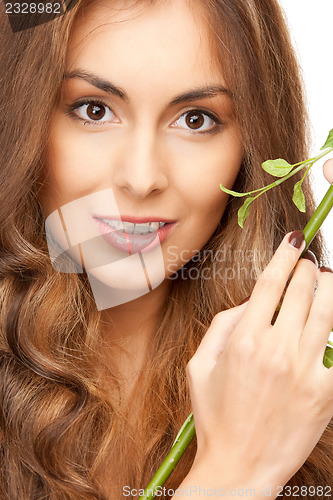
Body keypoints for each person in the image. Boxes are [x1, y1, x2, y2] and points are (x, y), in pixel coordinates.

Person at [0, 0, 332, 498]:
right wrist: (235, 475)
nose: (141, 178)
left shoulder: (311, 393)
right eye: (94, 110)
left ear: (253, 151)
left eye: (196, 120)